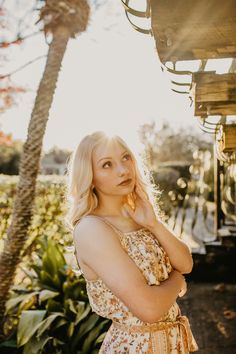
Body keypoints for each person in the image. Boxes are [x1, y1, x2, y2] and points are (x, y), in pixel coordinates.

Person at [65, 131, 199, 353]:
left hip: (174, 344)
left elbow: (186, 263)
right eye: (107, 164)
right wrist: (177, 281)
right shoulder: (92, 229)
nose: (123, 170)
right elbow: (149, 309)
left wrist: (154, 223)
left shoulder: (138, 214)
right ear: (90, 175)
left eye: (126, 157)